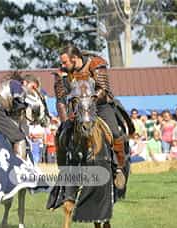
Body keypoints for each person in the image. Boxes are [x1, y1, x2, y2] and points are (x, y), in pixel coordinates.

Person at [53, 45, 134, 189]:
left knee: (115, 133)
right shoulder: (62, 73)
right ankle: (64, 173)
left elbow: (103, 89)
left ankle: (119, 168)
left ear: (75, 59)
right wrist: (65, 120)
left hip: (100, 105)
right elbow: (60, 100)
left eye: (65, 62)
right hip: (76, 108)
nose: (62, 65)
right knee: (61, 136)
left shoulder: (95, 64)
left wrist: (89, 103)